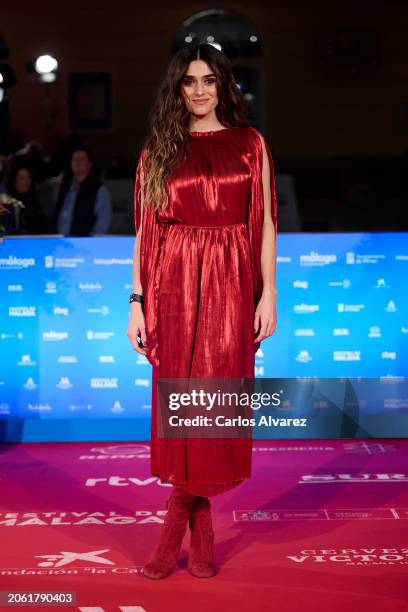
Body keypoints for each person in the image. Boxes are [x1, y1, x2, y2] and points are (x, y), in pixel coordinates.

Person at [126, 42, 278, 579]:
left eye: (208, 80)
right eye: (189, 81)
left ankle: (176, 524)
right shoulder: (158, 150)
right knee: (181, 413)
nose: (198, 91)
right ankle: (197, 535)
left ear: (223, 86)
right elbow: (145, 235)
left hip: (231, 288)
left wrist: (269, 294)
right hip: (172, 289)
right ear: (178, 88)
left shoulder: (249, 143)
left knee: (211, 412)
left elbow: (265, 224)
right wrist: (137, 302)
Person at [53, 146, 112, 236]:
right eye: (74, 159)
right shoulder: (64, 186)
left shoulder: (99, 189)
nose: (77, 162)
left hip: (83, 244)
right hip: (59, 242)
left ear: (90, 164)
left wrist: (91, 242)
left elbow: (103, 221)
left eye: (82, 159)